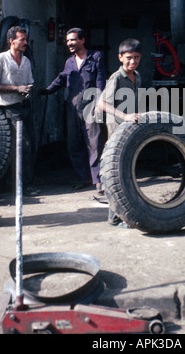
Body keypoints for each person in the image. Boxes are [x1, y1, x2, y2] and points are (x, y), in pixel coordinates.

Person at [40, 28, 106, 193]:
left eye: (73, 40)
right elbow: (61, 78)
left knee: (94, 143)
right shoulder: (69, 62)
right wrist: (48, 90)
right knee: (74, 143)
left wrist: (99, 104)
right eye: (68, 41)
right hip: (73, 108)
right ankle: (83, 177)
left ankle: (97, 180)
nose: (69, 43)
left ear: (82, 40)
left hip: (91, 106)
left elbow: (100, 83)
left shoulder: (96, 57)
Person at [96, 38, 142, 227]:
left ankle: (119, 215)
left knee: (125, 170)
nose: (133, 62)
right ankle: (114, 217)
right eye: (129, 58)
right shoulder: (116, 78)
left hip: (128, 126)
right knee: (116, 171)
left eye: (137, 58)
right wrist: (125, 116)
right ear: (120, 57)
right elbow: (101, 103)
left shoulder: (137, 76)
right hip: (116, 126)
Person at [0, 26, 39, 196]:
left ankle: (22, 183)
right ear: (11, 41)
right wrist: (16, 88)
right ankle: (23, 186)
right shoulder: (0, 59)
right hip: (9, 108)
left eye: (26, 39)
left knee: (30, 144)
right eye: (22, 39)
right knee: (21, 146)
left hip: (24, 106)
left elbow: (29, 82)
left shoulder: (25, 61)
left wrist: (27, 89)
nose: (26, 42)